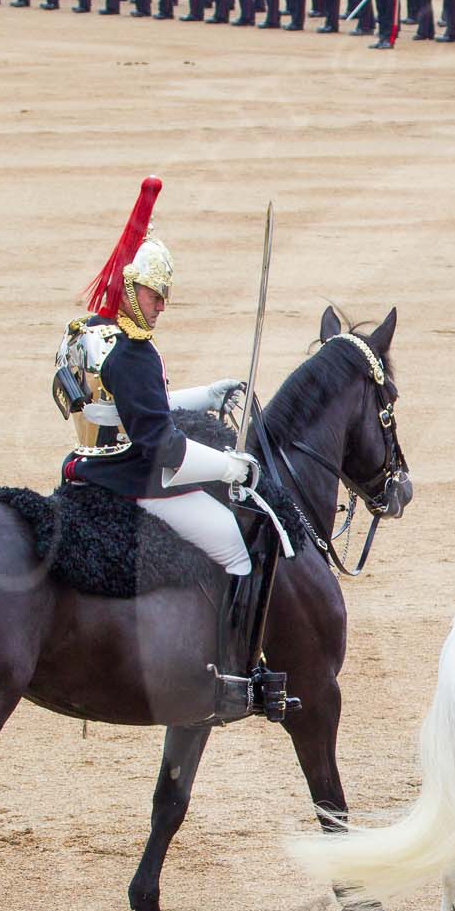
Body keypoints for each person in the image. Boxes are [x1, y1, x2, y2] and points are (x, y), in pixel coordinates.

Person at [59, 181, 270, 722]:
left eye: (163, 297)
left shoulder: (130, 351)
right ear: (133, 289)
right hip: (139, 479)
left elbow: (145, 407)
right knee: (235, 547)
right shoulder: (132, 355)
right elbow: (165, 447)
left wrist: (207, 393)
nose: (160, 306)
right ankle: (234, 674)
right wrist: (231, 465)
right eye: (155, 295)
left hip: (117, 464)